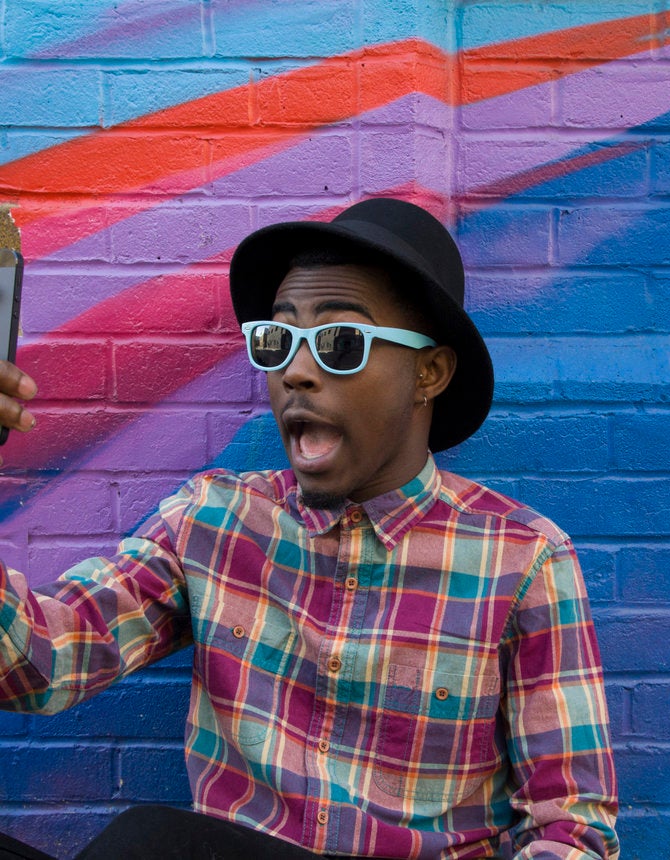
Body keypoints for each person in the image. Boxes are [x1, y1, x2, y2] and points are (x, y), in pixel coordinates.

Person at [0, 199, 619, 859]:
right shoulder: (214, 522)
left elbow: (571, 828)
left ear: (429, 373)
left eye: (339, 343)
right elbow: (44, 661)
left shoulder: (522, 561)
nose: (294, 371)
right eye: (278, 340)